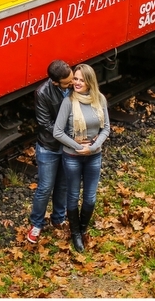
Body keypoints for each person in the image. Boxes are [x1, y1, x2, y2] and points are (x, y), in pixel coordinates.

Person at [53, 63, 111, 252]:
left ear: (89, 81)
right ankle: (75, 234)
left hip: (94, 156)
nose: (76, 83)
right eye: (75, 79)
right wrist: (79, 147)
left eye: (80, 79)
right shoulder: (68, 101)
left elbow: (106, 128)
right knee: (73, 196)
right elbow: (58, 132)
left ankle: (83, 228)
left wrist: (93, 147)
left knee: (90, 199)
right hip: (72, 157)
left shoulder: (99, 99)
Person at [26, 60, 73, 244]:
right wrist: (69, 136)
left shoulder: (74, 84)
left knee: (63, 184)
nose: (72, 84)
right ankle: (36, 224)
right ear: (55, 82)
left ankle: (58, 218)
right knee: (45, 187)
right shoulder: (43, 93)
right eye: (67, 82)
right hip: (50, 147)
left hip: (67, 145)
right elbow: (45, 123)